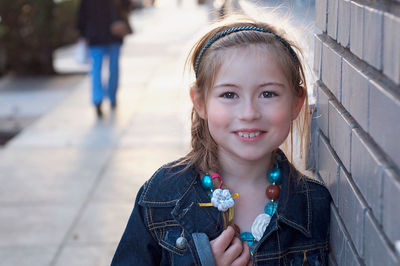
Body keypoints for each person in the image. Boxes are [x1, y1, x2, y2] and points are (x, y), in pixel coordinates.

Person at [111, 15, 331, 265]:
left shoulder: (315, 204)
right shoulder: (162, 195)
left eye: (268, 93)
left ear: (297, 103)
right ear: (200, 103)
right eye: (229, 94)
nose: (249, 113)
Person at [77, 0, 131, 118]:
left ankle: (100, 99)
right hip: (108, 34)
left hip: (102, 34)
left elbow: (82, 13)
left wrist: (82, 33)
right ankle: (108, 98)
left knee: (98, 69)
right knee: (111, 68)